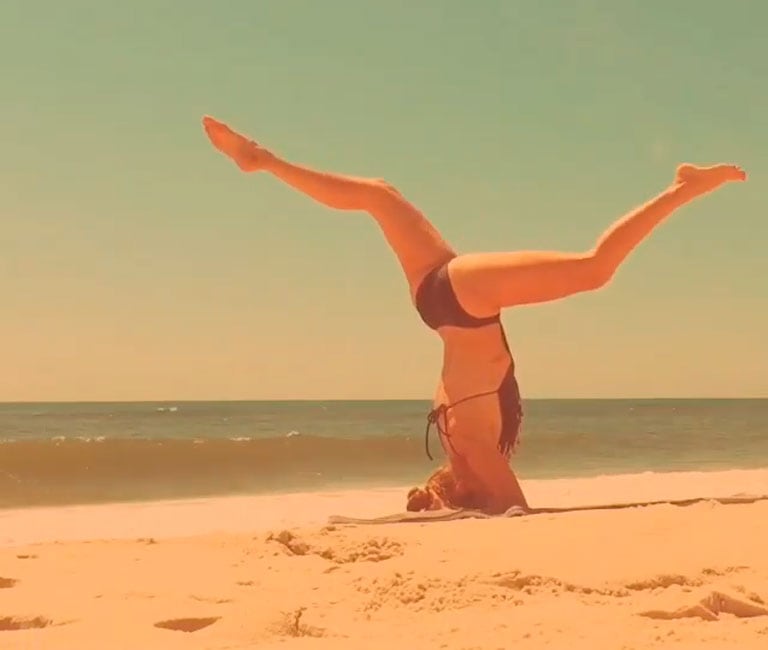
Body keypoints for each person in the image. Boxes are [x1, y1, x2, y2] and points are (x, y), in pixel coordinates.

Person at [201, 115, 747, 515]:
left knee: (595, 268)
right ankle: (265, 161)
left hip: (464, 304)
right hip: (439, 303)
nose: (435, 484)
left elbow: (516, 512)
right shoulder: (462, 441)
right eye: (440, 488)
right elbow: (508, 508)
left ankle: (683, 189)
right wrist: (477, 504)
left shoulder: (473, 450)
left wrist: (469, 504)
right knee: (379, 195)